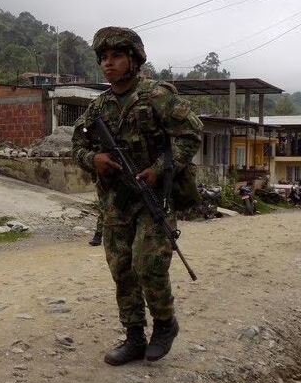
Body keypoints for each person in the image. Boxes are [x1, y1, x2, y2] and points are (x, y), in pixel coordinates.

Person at [71, 27, 203, 366]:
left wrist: (158, 169)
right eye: (103, 58)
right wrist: (94, 159)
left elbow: (191, 133)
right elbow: (78, 146)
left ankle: (164, 324)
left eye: (116, 56)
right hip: (116, 199)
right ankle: (133, 336)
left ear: (134, 59)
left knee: (148, 263)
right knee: (122, 269)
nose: (108, 64)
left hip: (153, 195)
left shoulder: (157, 95)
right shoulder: (99, 106)